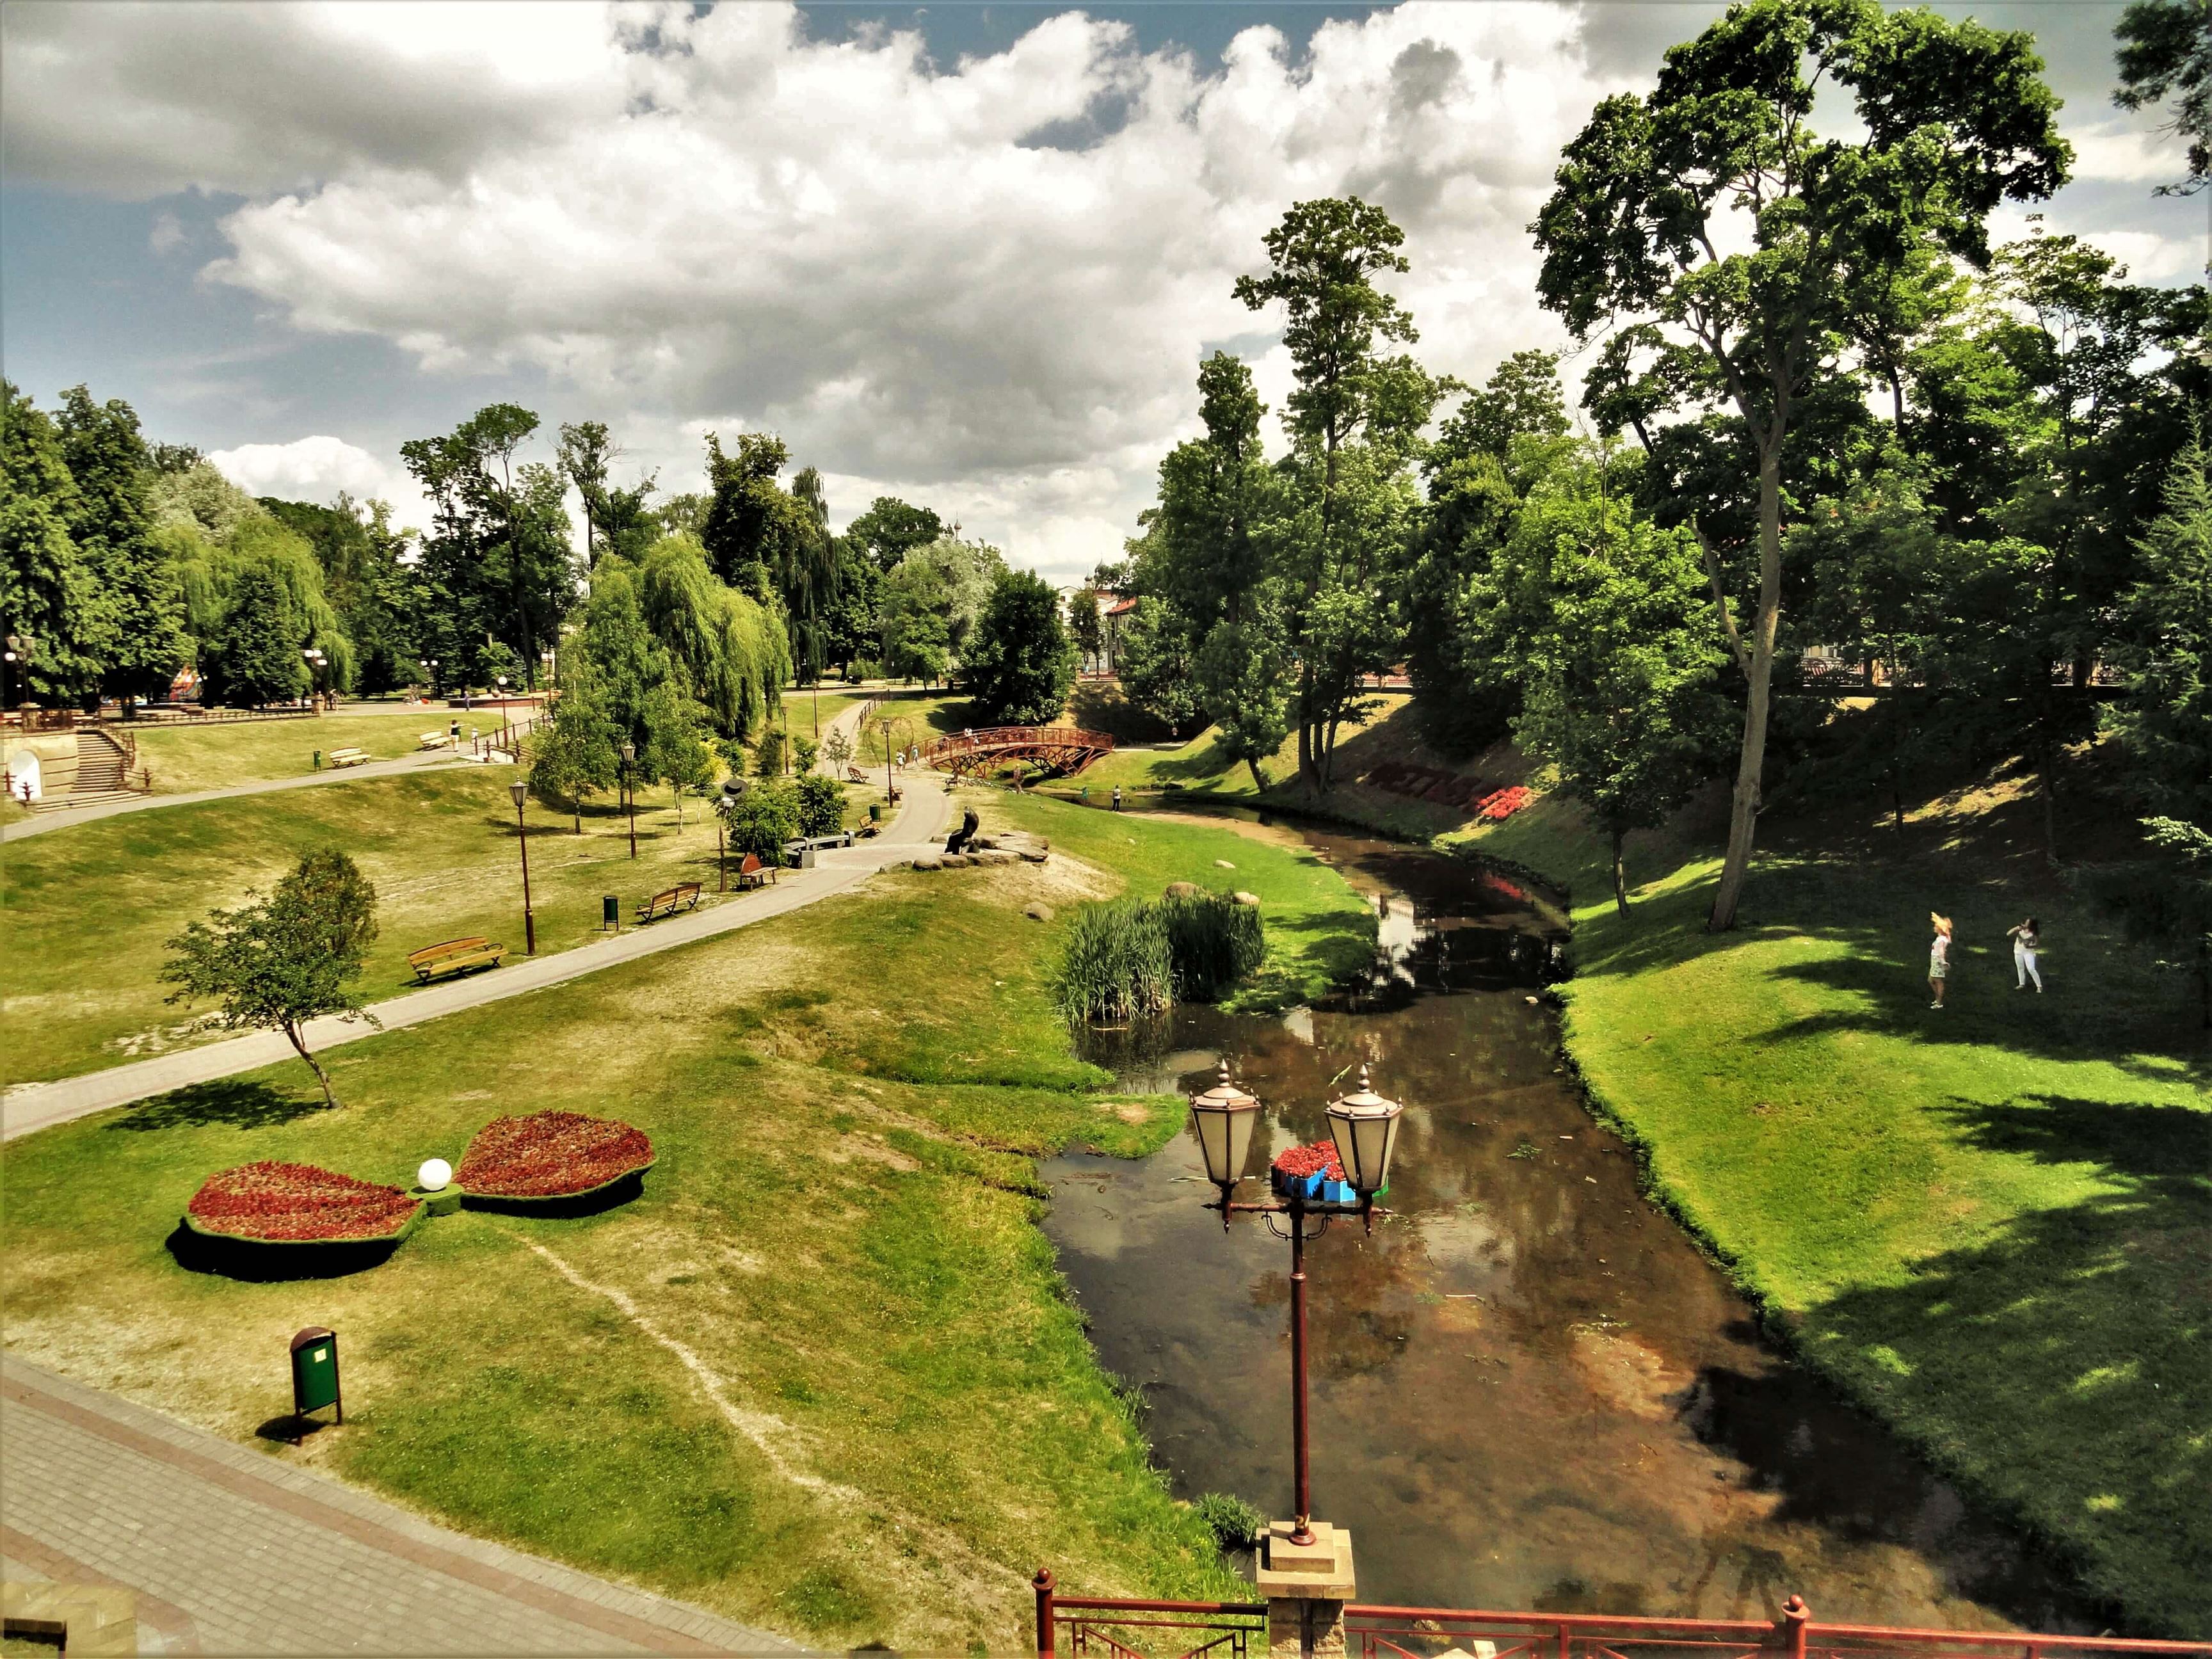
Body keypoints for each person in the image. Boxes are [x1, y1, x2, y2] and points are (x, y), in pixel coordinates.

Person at [2007, 917, 2043, 993]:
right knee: (2020, 968)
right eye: (2026, 922)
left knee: (2031, 969)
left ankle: (2039, 986)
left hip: (2028, 953)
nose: (2026, 924)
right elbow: (2008, 934)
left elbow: (2036, 944)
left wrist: (2029, 946)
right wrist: (2016, 928)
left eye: (2028, 923)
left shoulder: (2034, 933)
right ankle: (2022, 984)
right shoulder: (2021, 929)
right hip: (2018, 951)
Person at [1928, 913, 1953, 1009]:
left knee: (1937, 981)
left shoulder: (1942, 940)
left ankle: (1939, 1001)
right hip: (1934, 960)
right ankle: (1938, 998)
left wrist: (1942, 962)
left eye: (1936, 926)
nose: (1934, 927)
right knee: (1931, 980)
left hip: (1938, 961)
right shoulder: (1940, 938)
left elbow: (1941, 952)